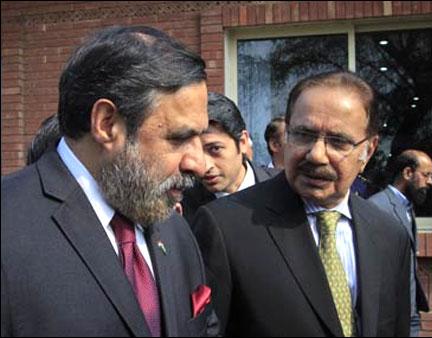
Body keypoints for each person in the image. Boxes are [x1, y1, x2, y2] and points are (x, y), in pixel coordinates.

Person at [1, 26, 219, 337]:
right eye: (179, 138)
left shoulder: (176, 230)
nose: (199, 163)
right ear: (106, 124)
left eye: (202, 137)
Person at [192, 71, 411, 336]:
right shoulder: (224, 227)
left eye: (338, 141)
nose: (316, 155)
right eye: (304, 135)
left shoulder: (389, 235)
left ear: (369, 150)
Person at [181, 92, 277, 225]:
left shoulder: (284, 190)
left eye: (215, 149)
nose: (204, 166)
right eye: (195, 152)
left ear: (242, 142)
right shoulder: (181, 207)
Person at [369, 149, 432, 336]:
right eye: (426, 175)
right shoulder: (378, 207)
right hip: (391, 315)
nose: (430, 181)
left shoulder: (407, 206)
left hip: (410, 309)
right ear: (407, 173)